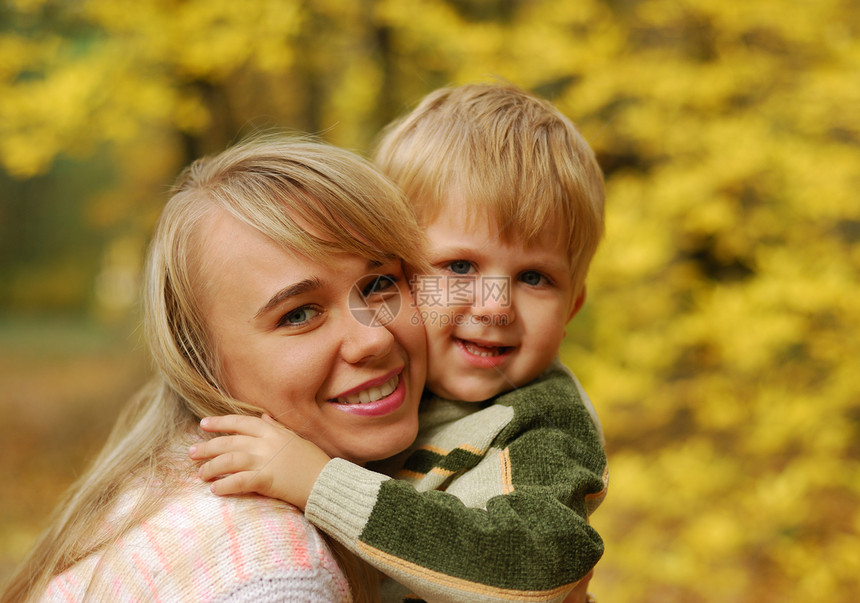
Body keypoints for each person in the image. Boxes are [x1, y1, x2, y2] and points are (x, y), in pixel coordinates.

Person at [193, 82, 608, 603]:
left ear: (572, 306)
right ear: (398, 273)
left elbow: (537, 565)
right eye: (459, 267)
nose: (496, 305)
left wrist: (319, 484)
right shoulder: (391, 393)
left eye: (535, 278)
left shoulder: (542, 424)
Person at [0, 136, 429, 603]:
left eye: (380, 283)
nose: (375, 338)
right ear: (199, 364)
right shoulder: (275, 575)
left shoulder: (161, 479)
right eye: (300, 314)